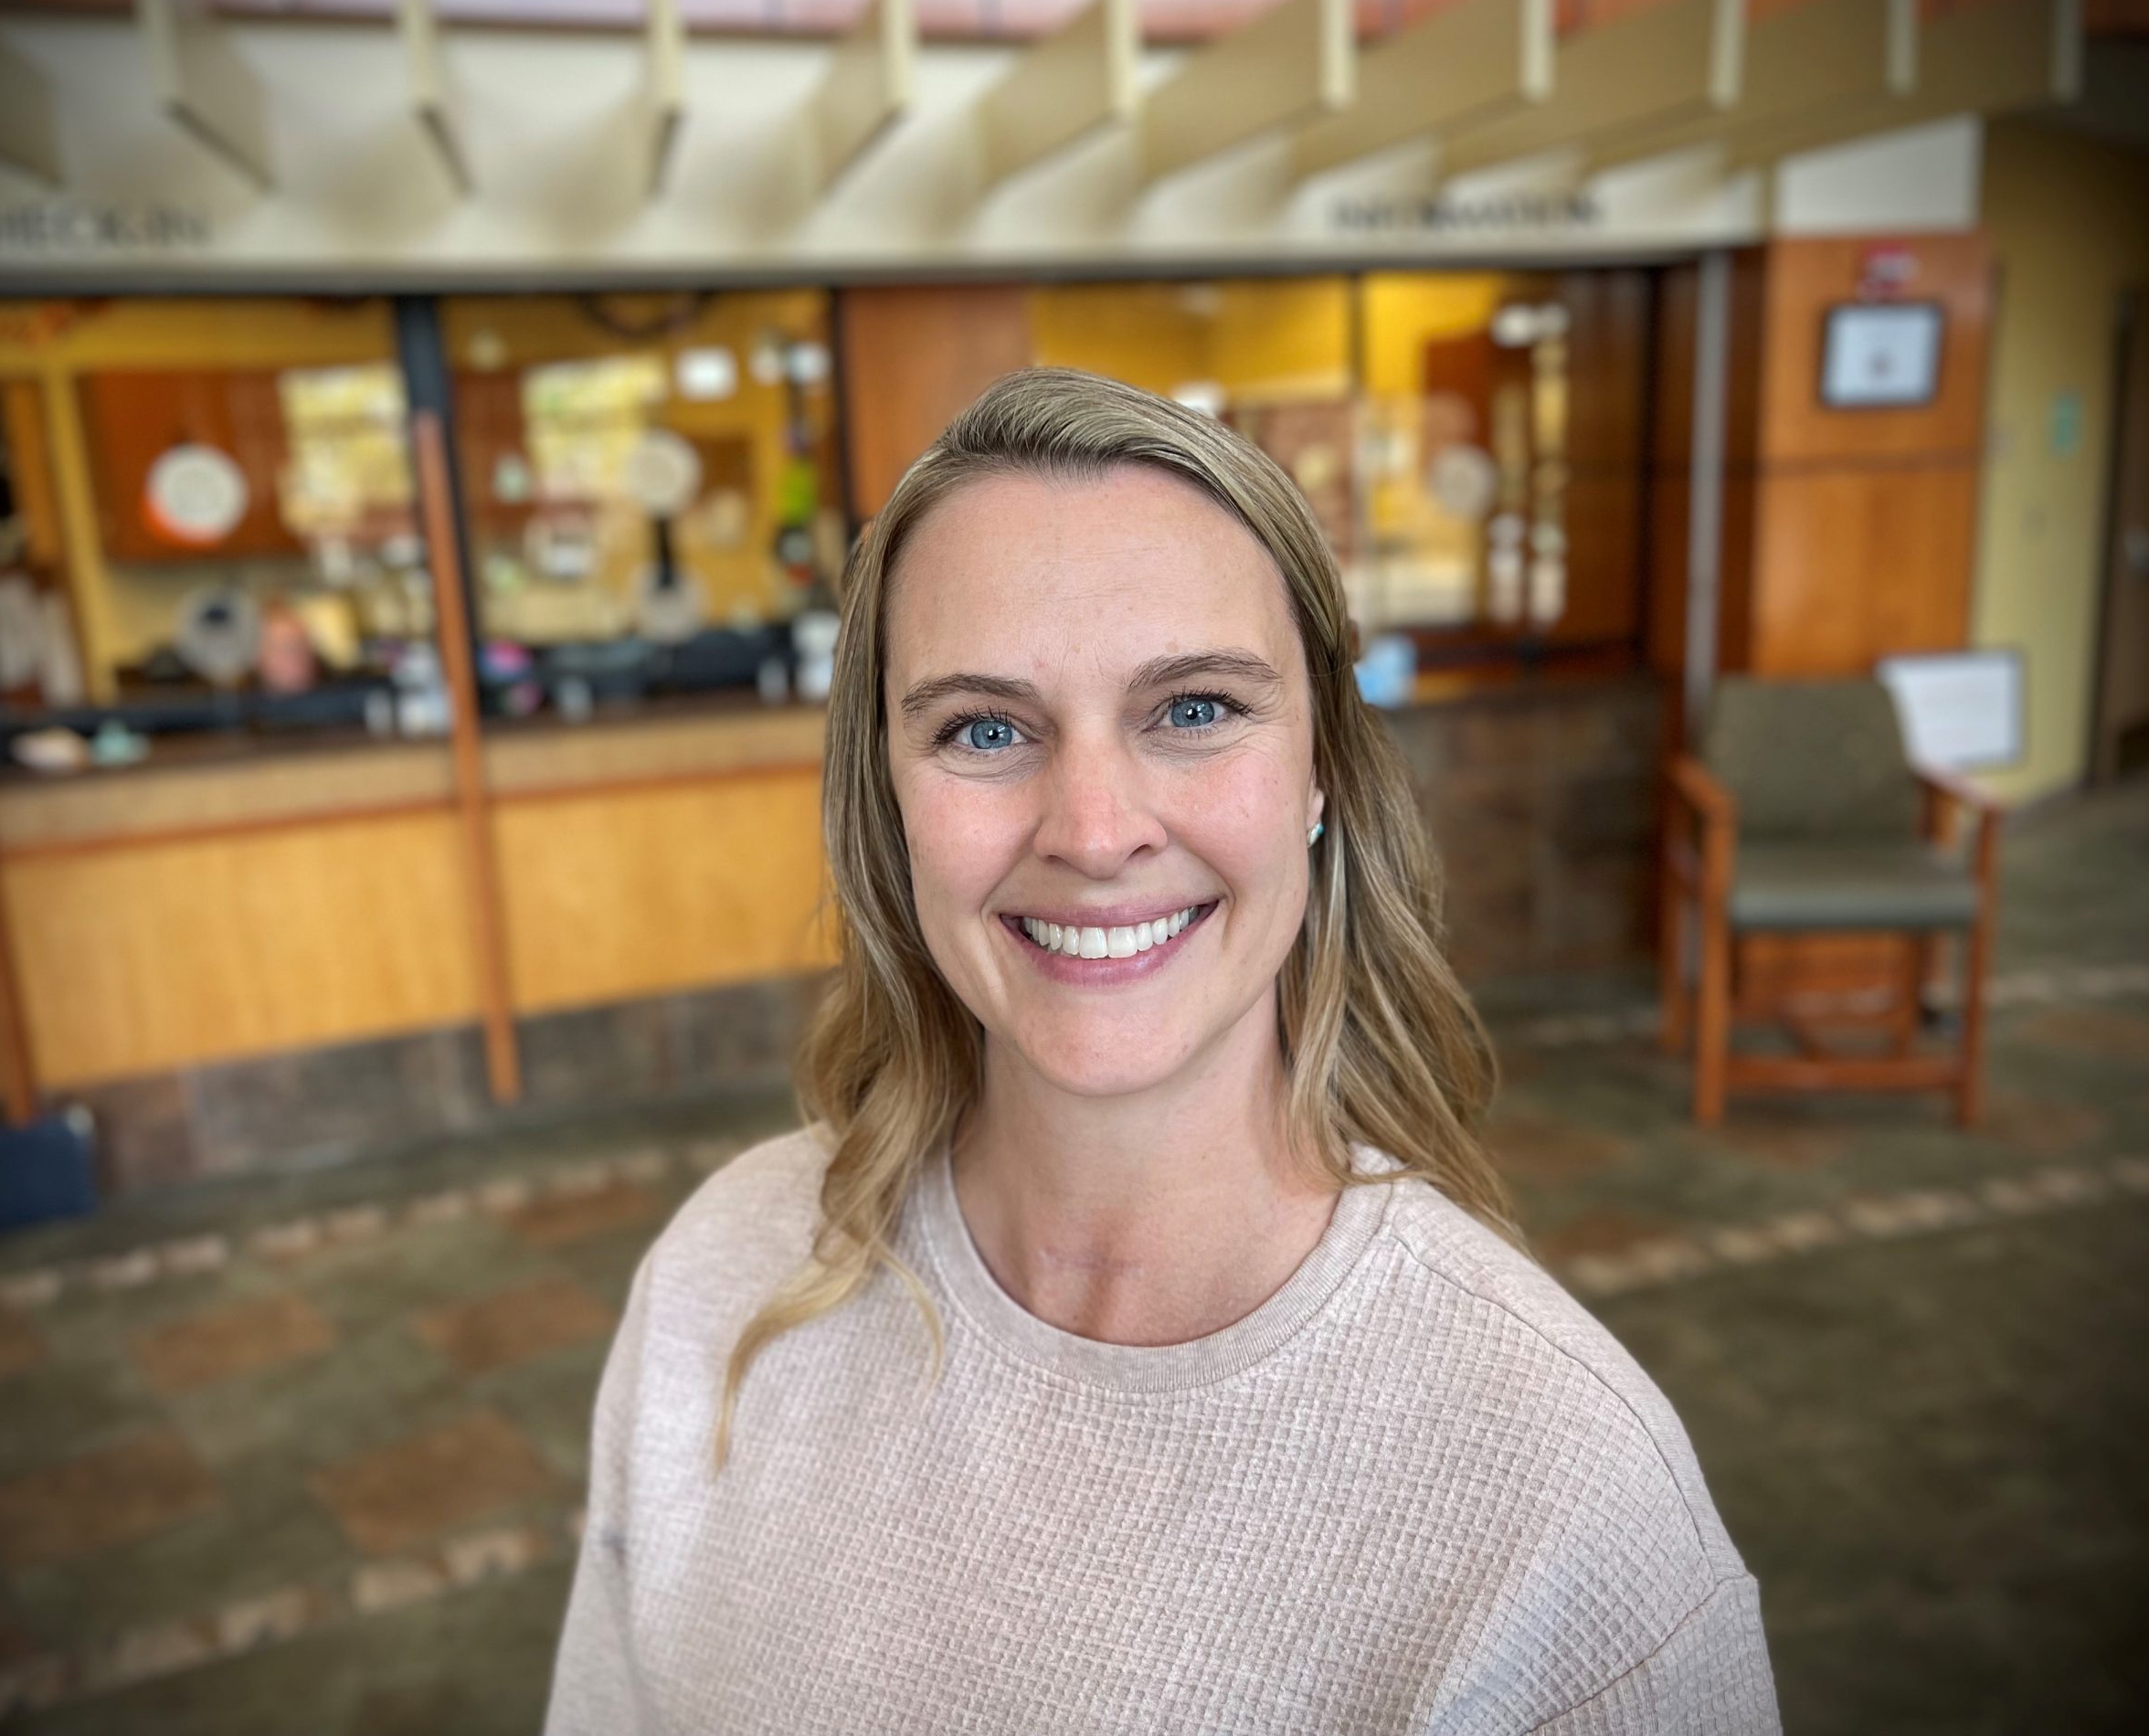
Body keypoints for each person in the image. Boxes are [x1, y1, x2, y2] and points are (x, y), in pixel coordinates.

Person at [543, 367, 1781, 1734]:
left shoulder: (1562, 1500)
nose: (1093, 826)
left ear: (1319, 772)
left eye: (1193, 708)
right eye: (985, 728)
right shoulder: (718, 1284)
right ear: (885, 802)